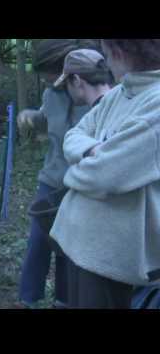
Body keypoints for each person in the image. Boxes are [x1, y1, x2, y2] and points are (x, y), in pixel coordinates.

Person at [50, 39, 160, 309]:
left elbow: (106, 175)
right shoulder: (118, 94)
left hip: (111, 260)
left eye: (107, 54)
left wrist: (75, 171)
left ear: (119, 53)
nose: (106, 63)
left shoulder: (155, 103)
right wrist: (93, 152)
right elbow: (73, 136)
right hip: (77, 243)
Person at [17, 39, 96, 309]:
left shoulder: (94, 95)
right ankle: (28, 300)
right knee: (38, 241)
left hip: (81, 185)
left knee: (68, 246)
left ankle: (64, 300)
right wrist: (32, 117)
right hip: (50, 180)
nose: (47, 81)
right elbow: (47, 120)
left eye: (49, 75)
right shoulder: (51, 94)